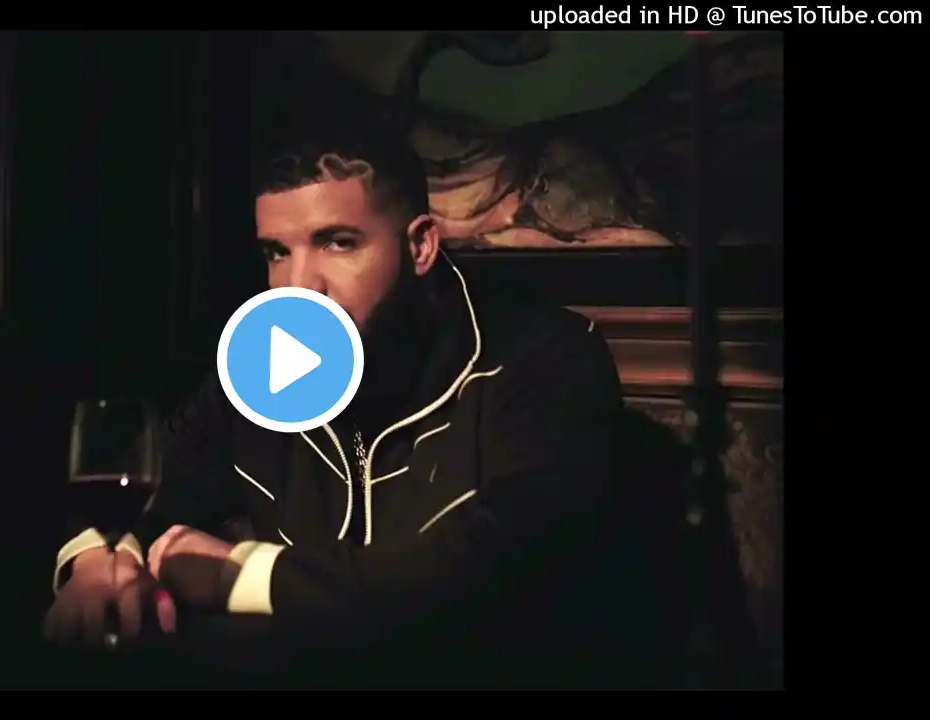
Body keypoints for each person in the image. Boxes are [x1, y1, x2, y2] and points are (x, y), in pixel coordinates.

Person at [43, 122, 679, 688]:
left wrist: (242, 574)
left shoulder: (544, 358)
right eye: (276, 253)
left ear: (420, 246)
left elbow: (492, 570)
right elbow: (153, 498)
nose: (299, 286)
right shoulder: (259, 370)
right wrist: (99, 562)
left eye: (338, 243)